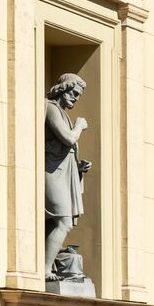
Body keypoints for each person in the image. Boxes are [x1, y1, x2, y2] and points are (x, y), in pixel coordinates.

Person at [44, 73, 92, 281]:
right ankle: (45, 270)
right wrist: (79, 126)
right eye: (73, 93)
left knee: (59, 222)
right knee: (63, 222)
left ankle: (50, 266)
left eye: (78, 96)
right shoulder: (51, 108)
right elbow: (68, 137)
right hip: (52, 173)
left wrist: (79, 167)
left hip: (63, 172)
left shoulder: (62, 112)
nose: (75, 98)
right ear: (63, 88)